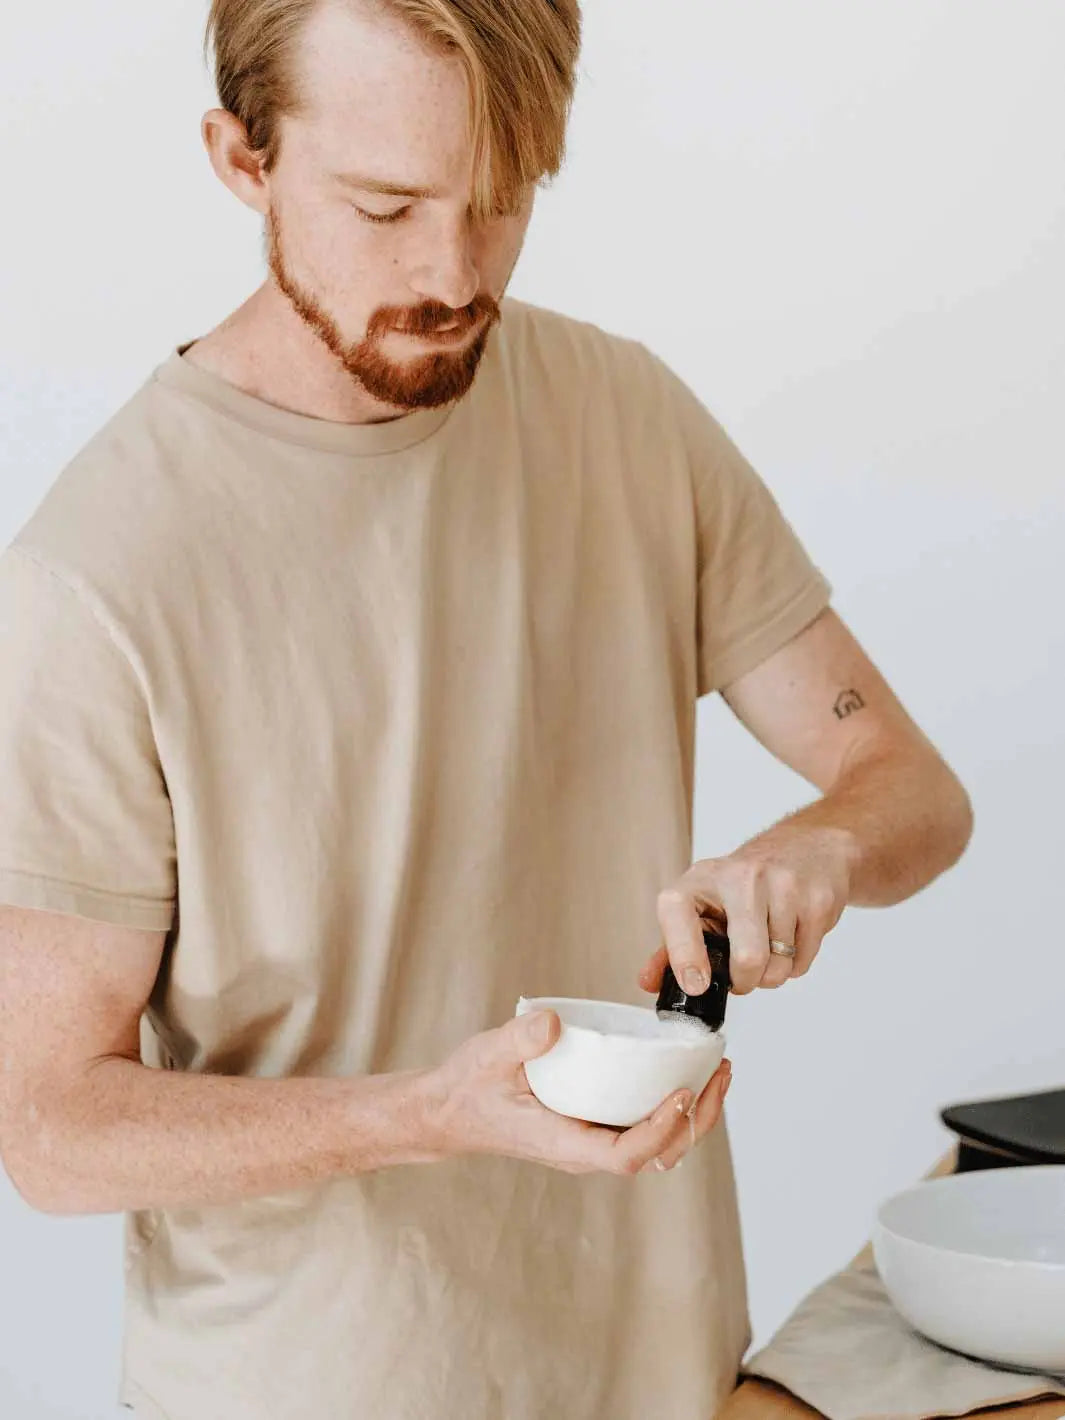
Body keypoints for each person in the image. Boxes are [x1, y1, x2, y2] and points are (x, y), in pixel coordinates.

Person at [0, 2, 973, 1418]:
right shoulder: (95, 577)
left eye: (501, 199)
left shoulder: (625, 415)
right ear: (242, 159)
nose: (452, 273)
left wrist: (818, 846)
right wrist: (428, 1114)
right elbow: (50, 1129)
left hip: (668, 1380)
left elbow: (912, 788)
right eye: (384, 207)